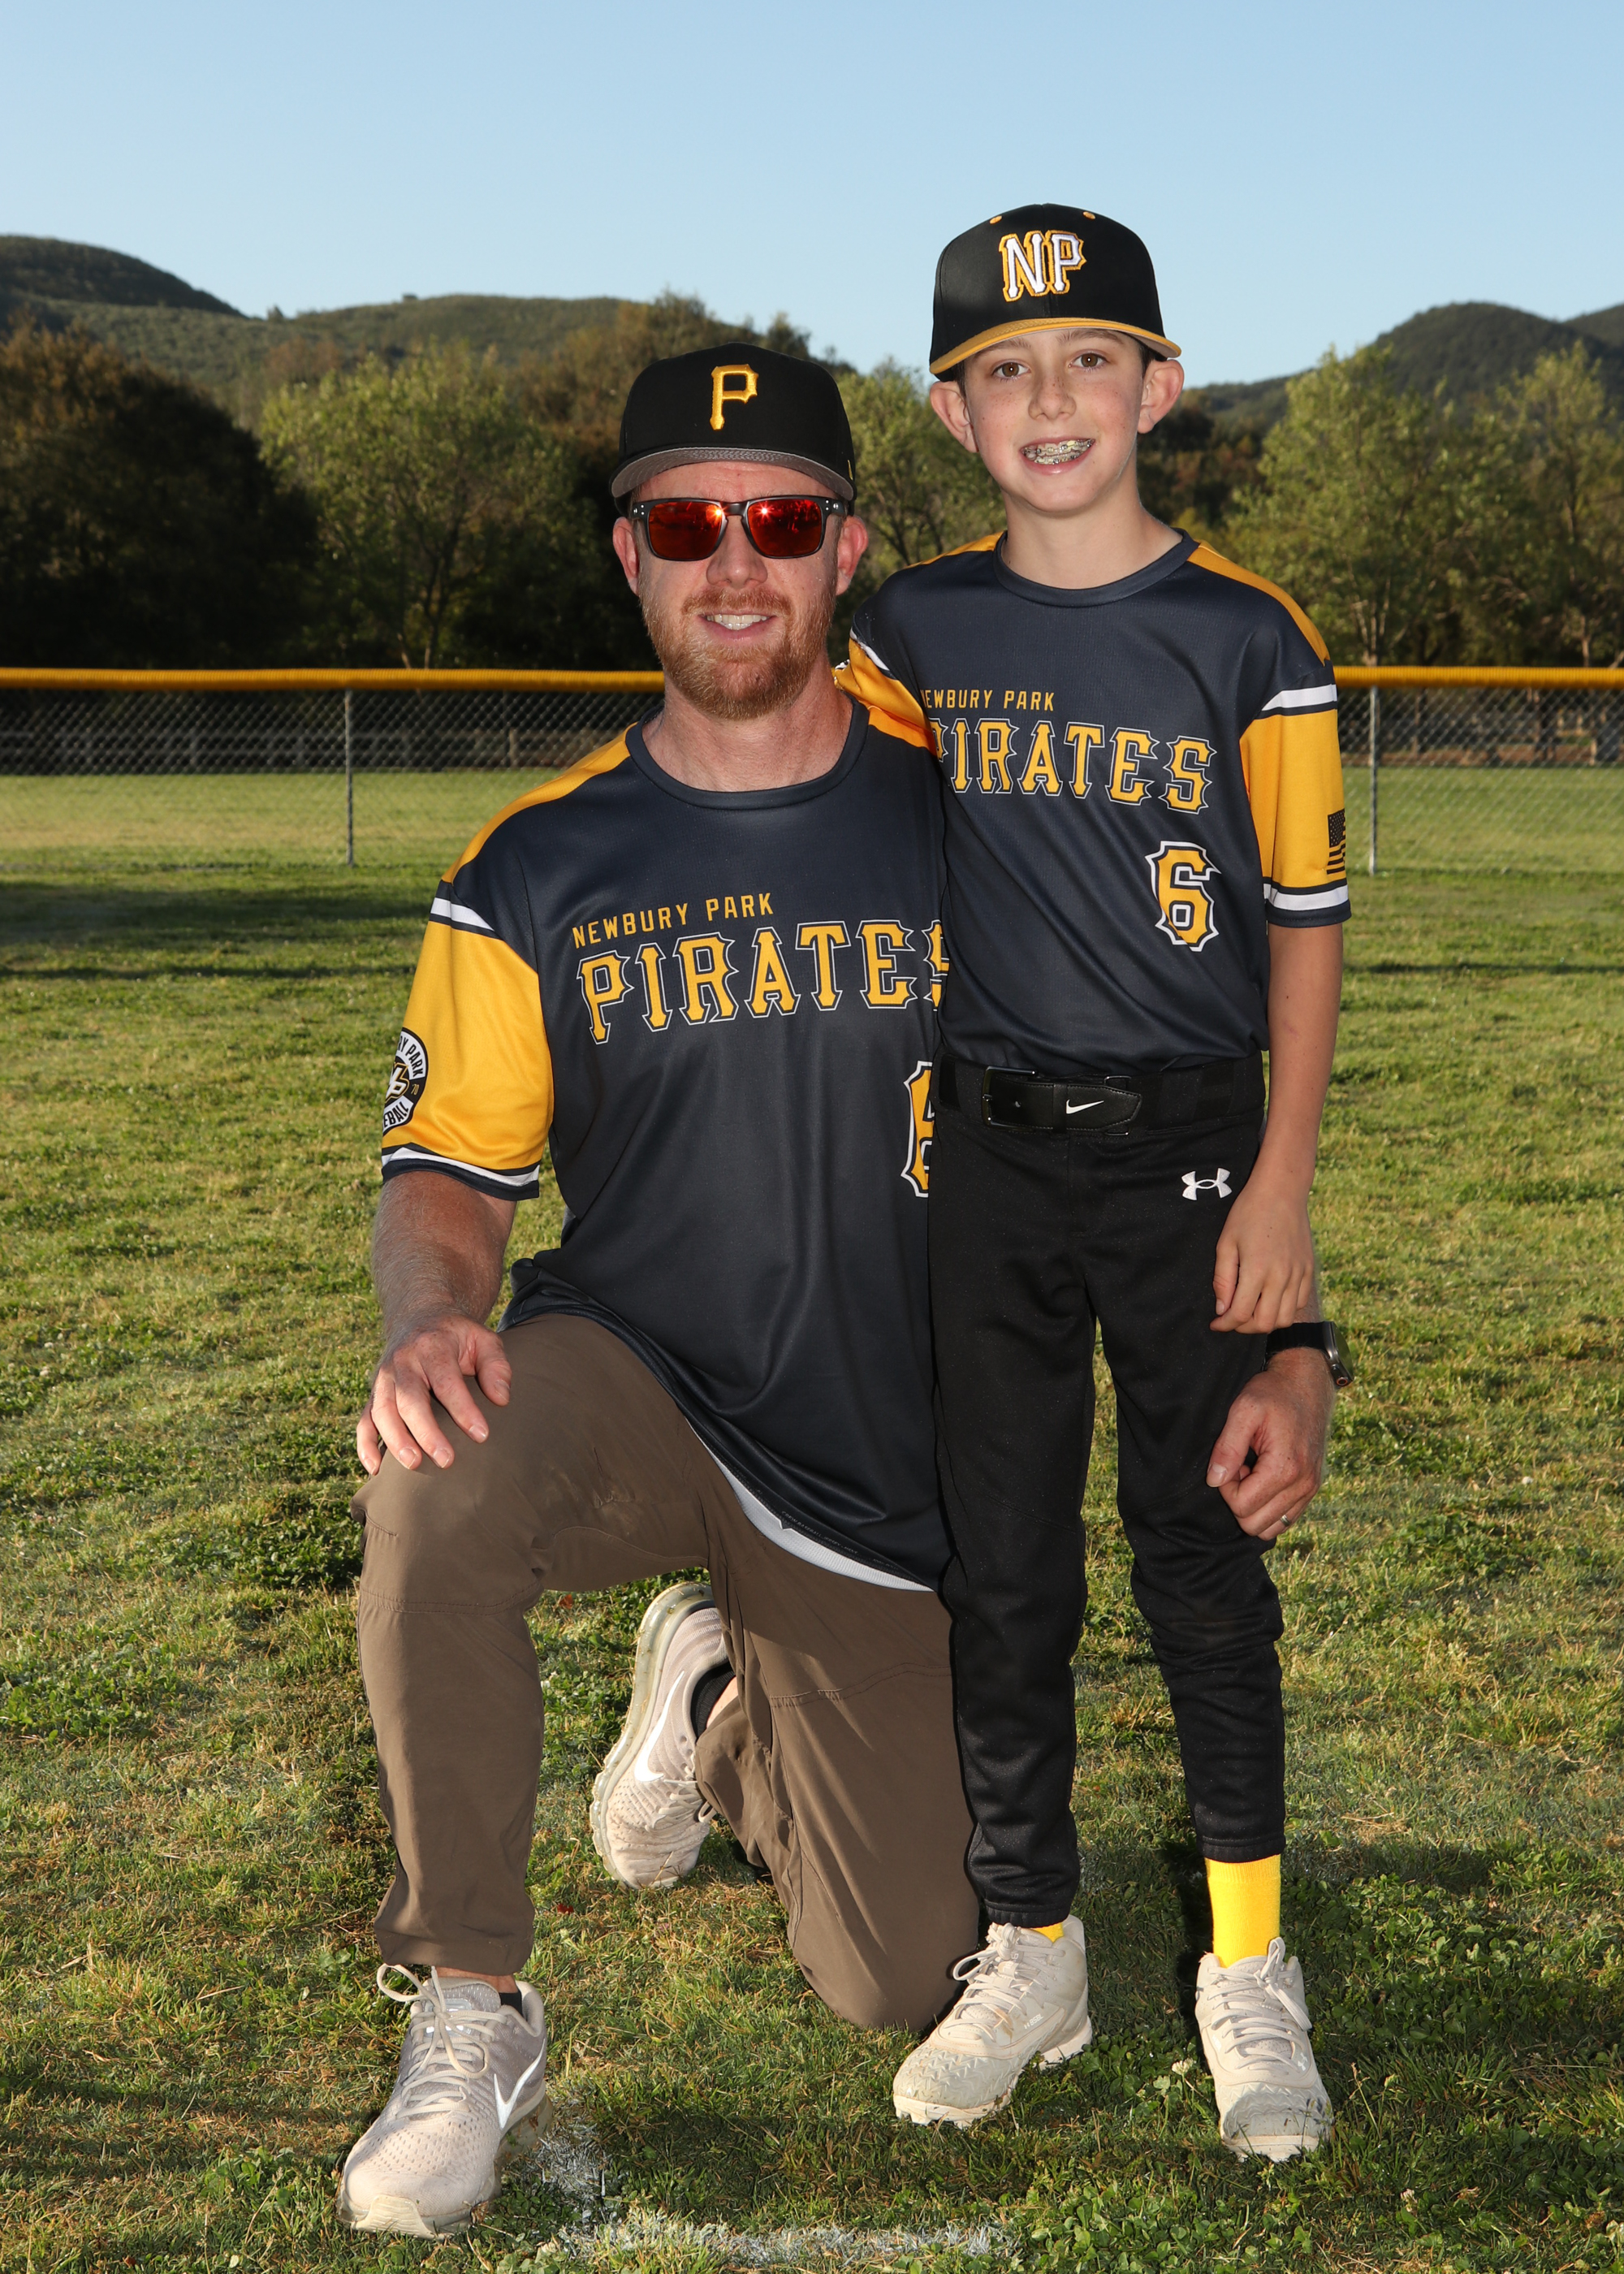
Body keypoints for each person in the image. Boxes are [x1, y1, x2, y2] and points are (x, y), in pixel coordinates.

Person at [337, 345, 977, 2238]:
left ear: (844, 546)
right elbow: (446, 1173)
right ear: (630, 557)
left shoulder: (967, 809)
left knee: (903, 1969)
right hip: (636, 1372)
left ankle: (709, 1701)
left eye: (776, 516)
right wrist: (430, 1315)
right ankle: (470, 1999)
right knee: (437, 1468)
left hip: (877, 1446)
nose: (733, 561)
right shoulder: (537, 861)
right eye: (686, 525)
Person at [839, 205, 1353, 2160]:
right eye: (1002, 370)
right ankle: (1032, 1939)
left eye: (1086, 360)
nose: (1046, 399)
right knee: (1003, 1568)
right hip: (981, 1149)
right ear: (951, 413)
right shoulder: (911, 634)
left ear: (1158, 385)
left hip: (1189, 1145)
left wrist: (1282, 1191)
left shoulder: (1248, 635)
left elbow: (1301, 928)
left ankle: (1247, 1955)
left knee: (1202, 1557)